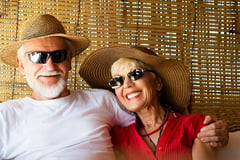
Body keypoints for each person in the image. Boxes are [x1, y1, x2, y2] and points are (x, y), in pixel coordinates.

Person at [0, 14, 227, 160]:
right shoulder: (5, 116)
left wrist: (216, 130)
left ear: (69, 60)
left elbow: (152, 122)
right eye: (37, 56)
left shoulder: (103, 100)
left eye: (58, 55)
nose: (49, 64)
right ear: (21, 64)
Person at [78, 46, 226, 160]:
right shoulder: (116, 139)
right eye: (118, 80)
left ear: (158, 83)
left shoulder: (196, 126)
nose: (127, 84)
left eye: (135, 74)